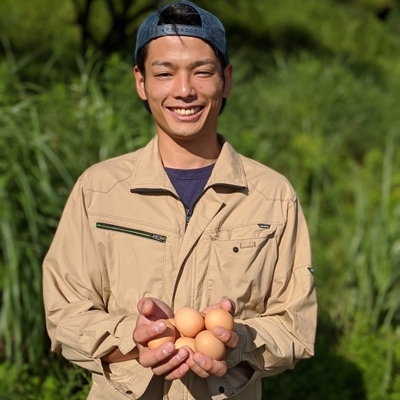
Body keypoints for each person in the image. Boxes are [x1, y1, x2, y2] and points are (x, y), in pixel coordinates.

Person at [42, 1, 317, 399]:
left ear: (226, 79)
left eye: (202, 72)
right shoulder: (98, 190)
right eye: (164, 73)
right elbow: (64, 311)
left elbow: (297, 324)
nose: (184, 90)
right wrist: (130, 342)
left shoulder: (272, 197)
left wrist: (236, 339)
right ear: (141, 82)